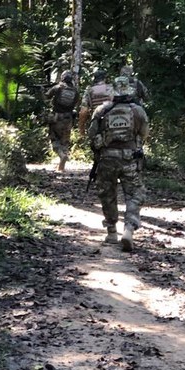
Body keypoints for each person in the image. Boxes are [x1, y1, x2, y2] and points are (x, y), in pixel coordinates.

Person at [87, 76, 149, 252]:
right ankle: (129, 229)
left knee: (107, 194)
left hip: (107, 159)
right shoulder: (138, 111)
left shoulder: (101, 110)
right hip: (130, 159)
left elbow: (92, 135)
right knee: (135, 194)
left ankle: (111, 232)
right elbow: (144, 134)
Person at [44, 70, 80, 172]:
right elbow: (76, 103)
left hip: (57, 117)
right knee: (65, 141)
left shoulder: (58, 87)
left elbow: (47, 96)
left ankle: (61, 155)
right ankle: (61, 166)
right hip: (68, 118)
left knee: (54, 139)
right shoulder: (75, 91)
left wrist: (43, 91)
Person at [78, 69, 114, 136]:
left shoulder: (90, 90)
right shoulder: (111, 88)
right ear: (104, 79)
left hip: (96, 122)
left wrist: (81, 129)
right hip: (112, 121)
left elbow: (84, 111)